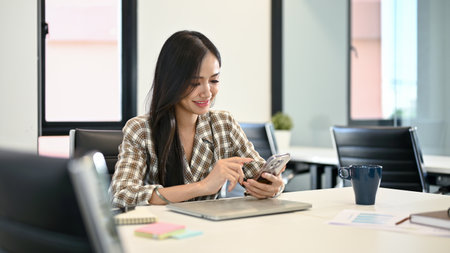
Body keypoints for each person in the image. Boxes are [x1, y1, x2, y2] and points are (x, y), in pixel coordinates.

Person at [109, 30, 284, 207]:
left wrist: (272, 185)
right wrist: (203, 186)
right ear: (171, 81)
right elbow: (122, 194)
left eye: (214, 81)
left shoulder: (224, 124)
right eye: (194, 83)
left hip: (211, 229)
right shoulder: (141, 130)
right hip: (162, 231)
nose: (207, 93)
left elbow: (257, 174)